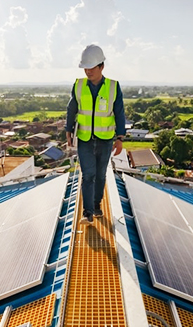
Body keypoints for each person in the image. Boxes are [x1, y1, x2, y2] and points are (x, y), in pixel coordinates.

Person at [66, 44, 125, 224]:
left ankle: (97, 205)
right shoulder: (79, 85)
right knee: (88, 175)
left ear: (101, 66)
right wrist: (68, 131)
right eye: (85, 67)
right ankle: (88, 213)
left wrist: (120, 138)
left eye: (91, 67)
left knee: (100, 176)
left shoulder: (113, 87)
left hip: (105, 140)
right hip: (84, 139)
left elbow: (119, 112)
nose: (87, 71)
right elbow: (71, 109)